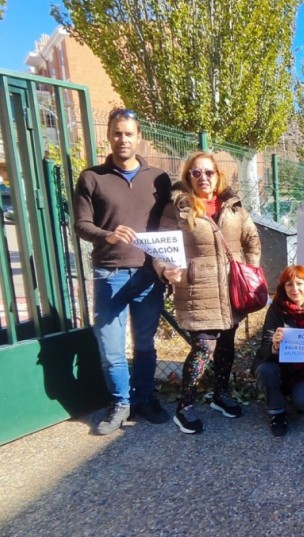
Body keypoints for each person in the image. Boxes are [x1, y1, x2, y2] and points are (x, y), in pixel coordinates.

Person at [73, 108, 172, 435]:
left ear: (138, 136)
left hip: (148, 276)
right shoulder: (91, 177)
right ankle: (120, 403)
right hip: (109, 274)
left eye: (128, 133)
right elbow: (82, 225)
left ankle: (144, 397)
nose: (123, 139)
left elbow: (168, 222)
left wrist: (171, 261)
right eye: (117, 133)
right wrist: (108, 235)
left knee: (145, 343)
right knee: (111, 346)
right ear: (109, 136)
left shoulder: (158, 178)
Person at [157, 151, 261, 434]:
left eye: (209, 172)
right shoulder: (176, 208)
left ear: (218, 175)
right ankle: (185, 406)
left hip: (232, 289)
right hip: (196, 290)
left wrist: (250, 270)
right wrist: (166, 270)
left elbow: (252, 239)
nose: (203, 177)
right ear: (188, 177)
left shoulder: (234, 207)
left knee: (227, 344)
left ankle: (221, 395)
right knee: (204, 347)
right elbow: (162, 248)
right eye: (196, 173)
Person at [252, 265, 304, 437]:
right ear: (283, 288)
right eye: (289, 284)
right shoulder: (276, 309)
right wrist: (275, 346)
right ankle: (277, 413)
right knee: (265, 369)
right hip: (279, 366)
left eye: (299, 283)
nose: (294, 289)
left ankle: (295, 392)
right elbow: (265, 347)